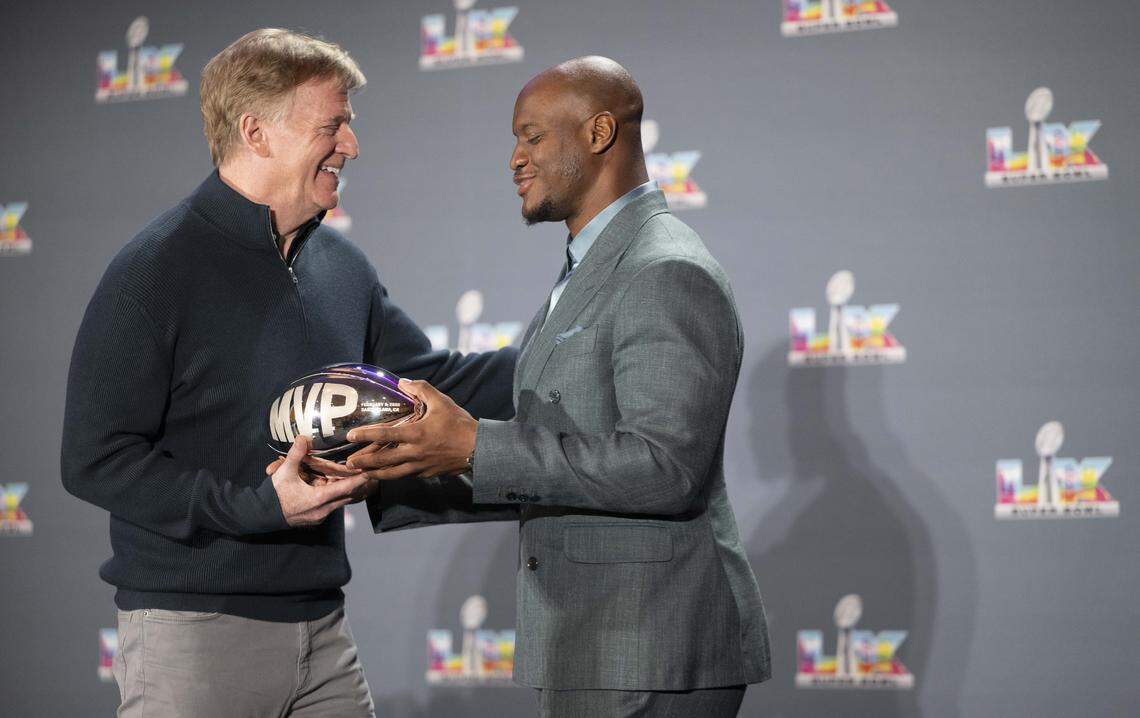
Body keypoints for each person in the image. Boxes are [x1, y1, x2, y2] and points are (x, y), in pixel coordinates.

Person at [60, 29, 515, 717]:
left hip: (323, 632)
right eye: (331, 126)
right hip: (193, 638)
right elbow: (93, 459)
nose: (351, 146)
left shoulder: (341, 266)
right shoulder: (155, 272)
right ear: (257, 133)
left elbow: (427, 382)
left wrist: (568, 353)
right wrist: (255, 508)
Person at [345, 56, 770, 717]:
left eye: (532, 136)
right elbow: (565, 461)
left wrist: (476, 447)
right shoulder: (594, 266)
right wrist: (402, 468)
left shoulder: (663, 270)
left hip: (650, 652)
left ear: (599, 133)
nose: (514, 159)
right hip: (603, 645)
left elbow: (665, 467)